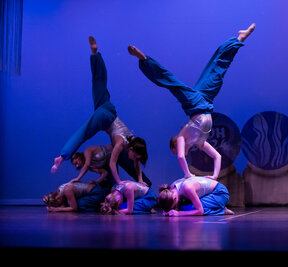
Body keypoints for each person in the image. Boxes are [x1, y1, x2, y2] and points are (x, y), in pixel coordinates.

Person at [128, 23, 255, 180]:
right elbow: (218, 157)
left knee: (172, 84)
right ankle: (240, 38)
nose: (178, 154)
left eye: (174, 151)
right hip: (206, 101)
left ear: (175, 145)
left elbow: (181, 157)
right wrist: (214, 176)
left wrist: (188, 175)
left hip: (194, 104)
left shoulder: (181, 138)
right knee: (217, 70)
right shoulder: (199, 143)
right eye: (175, 152)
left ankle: (144, 60)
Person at [50, 36, 151, 186]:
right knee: (85, 132)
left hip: (106, 107)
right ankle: (62, 157)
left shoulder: (132, 140)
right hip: (105, 117)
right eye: (134, 155)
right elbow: (112, 164)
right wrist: (119, 182)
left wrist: (141, 180)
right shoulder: (120, 143)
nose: (133, 158)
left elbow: (136, 161)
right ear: (131, 148)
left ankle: (95, 54)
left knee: (99, 82)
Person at [157, 176, 234, 216]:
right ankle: (215, 205)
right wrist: (167, 211)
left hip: (220, 193)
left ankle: (222, 210)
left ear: (174, 198)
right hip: (207, 195)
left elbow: (200, 211)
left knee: (191, 209)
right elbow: (175, 204)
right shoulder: (171, 188)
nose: (174, 208)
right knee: (185, 207)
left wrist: (178, 213)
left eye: (173, 206)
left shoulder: (187, 188)